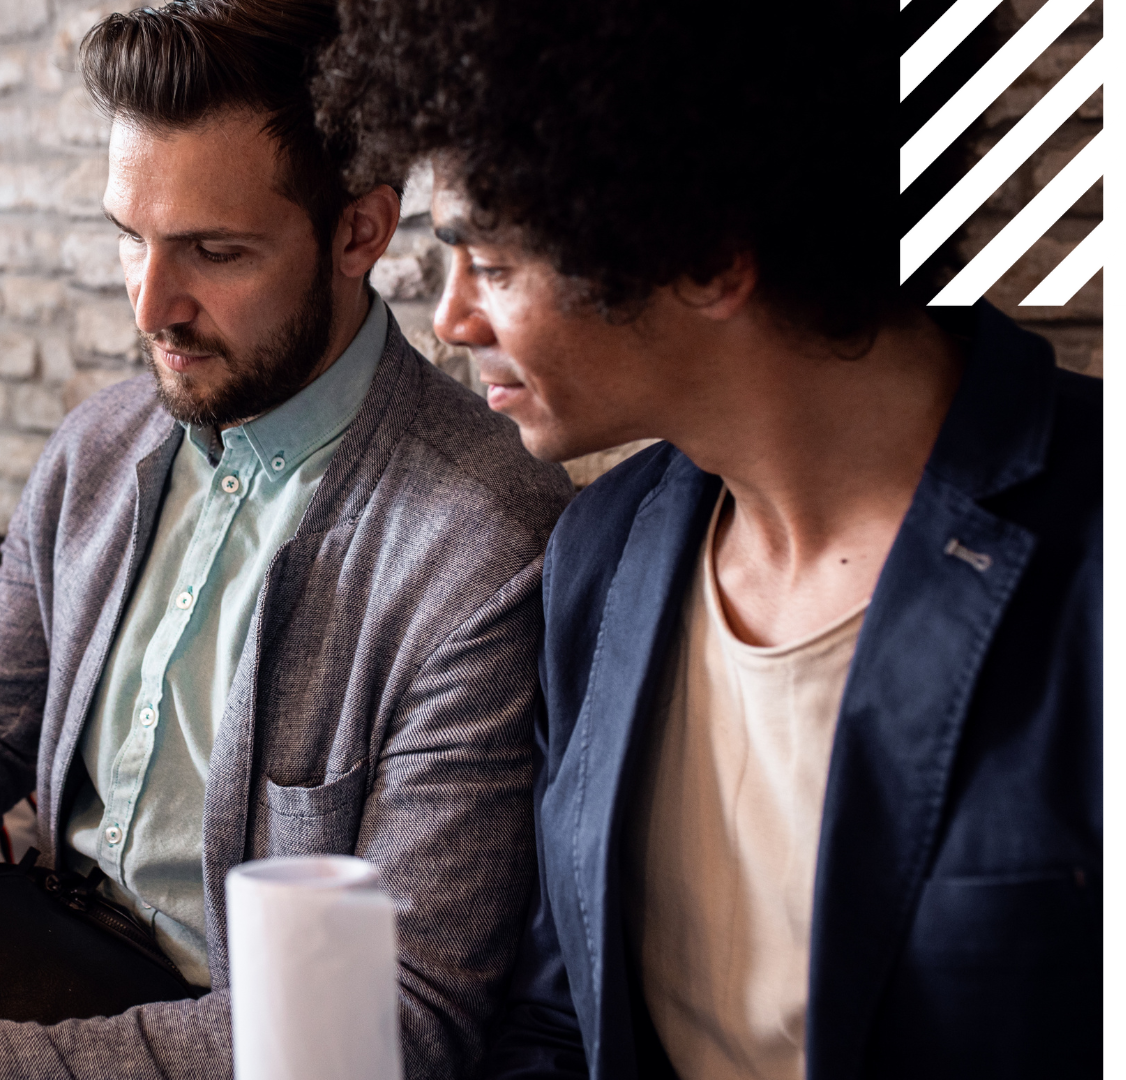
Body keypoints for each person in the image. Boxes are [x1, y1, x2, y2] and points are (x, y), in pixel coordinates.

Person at [0, 5, 572, 1075]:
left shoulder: (480, 545)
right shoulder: (104, 441)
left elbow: (397, 1013)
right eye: (130, 240)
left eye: (214, 251)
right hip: (19, 946)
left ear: (360, 232)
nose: (152, 306)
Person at [316, 1, 1100, 1077]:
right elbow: (560, 1026)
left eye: (490, 261)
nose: (450, 317)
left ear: (701, 258)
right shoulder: (600, 556)